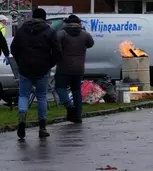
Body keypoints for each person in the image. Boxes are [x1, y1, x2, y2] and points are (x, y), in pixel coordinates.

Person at [10, 8, 62, 139]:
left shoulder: (22, 29)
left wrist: (20, 62)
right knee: (42, 96)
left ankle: (22, 119)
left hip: (25, 68)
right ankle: (42, 128)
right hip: (42, 69)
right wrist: (49, 64)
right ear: (44, 18)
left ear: (32, 17)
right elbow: (57, 52)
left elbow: (13, 48)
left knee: (23, 95)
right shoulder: (50, 31)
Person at [55, 14, 95, 123]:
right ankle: (77, 115)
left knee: (59, 87)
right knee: (76, 90)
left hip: (63, 67)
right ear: (79, 23)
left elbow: (55, 46)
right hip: (79, 68)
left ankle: (69, 105)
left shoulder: (62, 34)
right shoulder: (85, 34)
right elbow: (91, 44)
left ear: (67, 23)